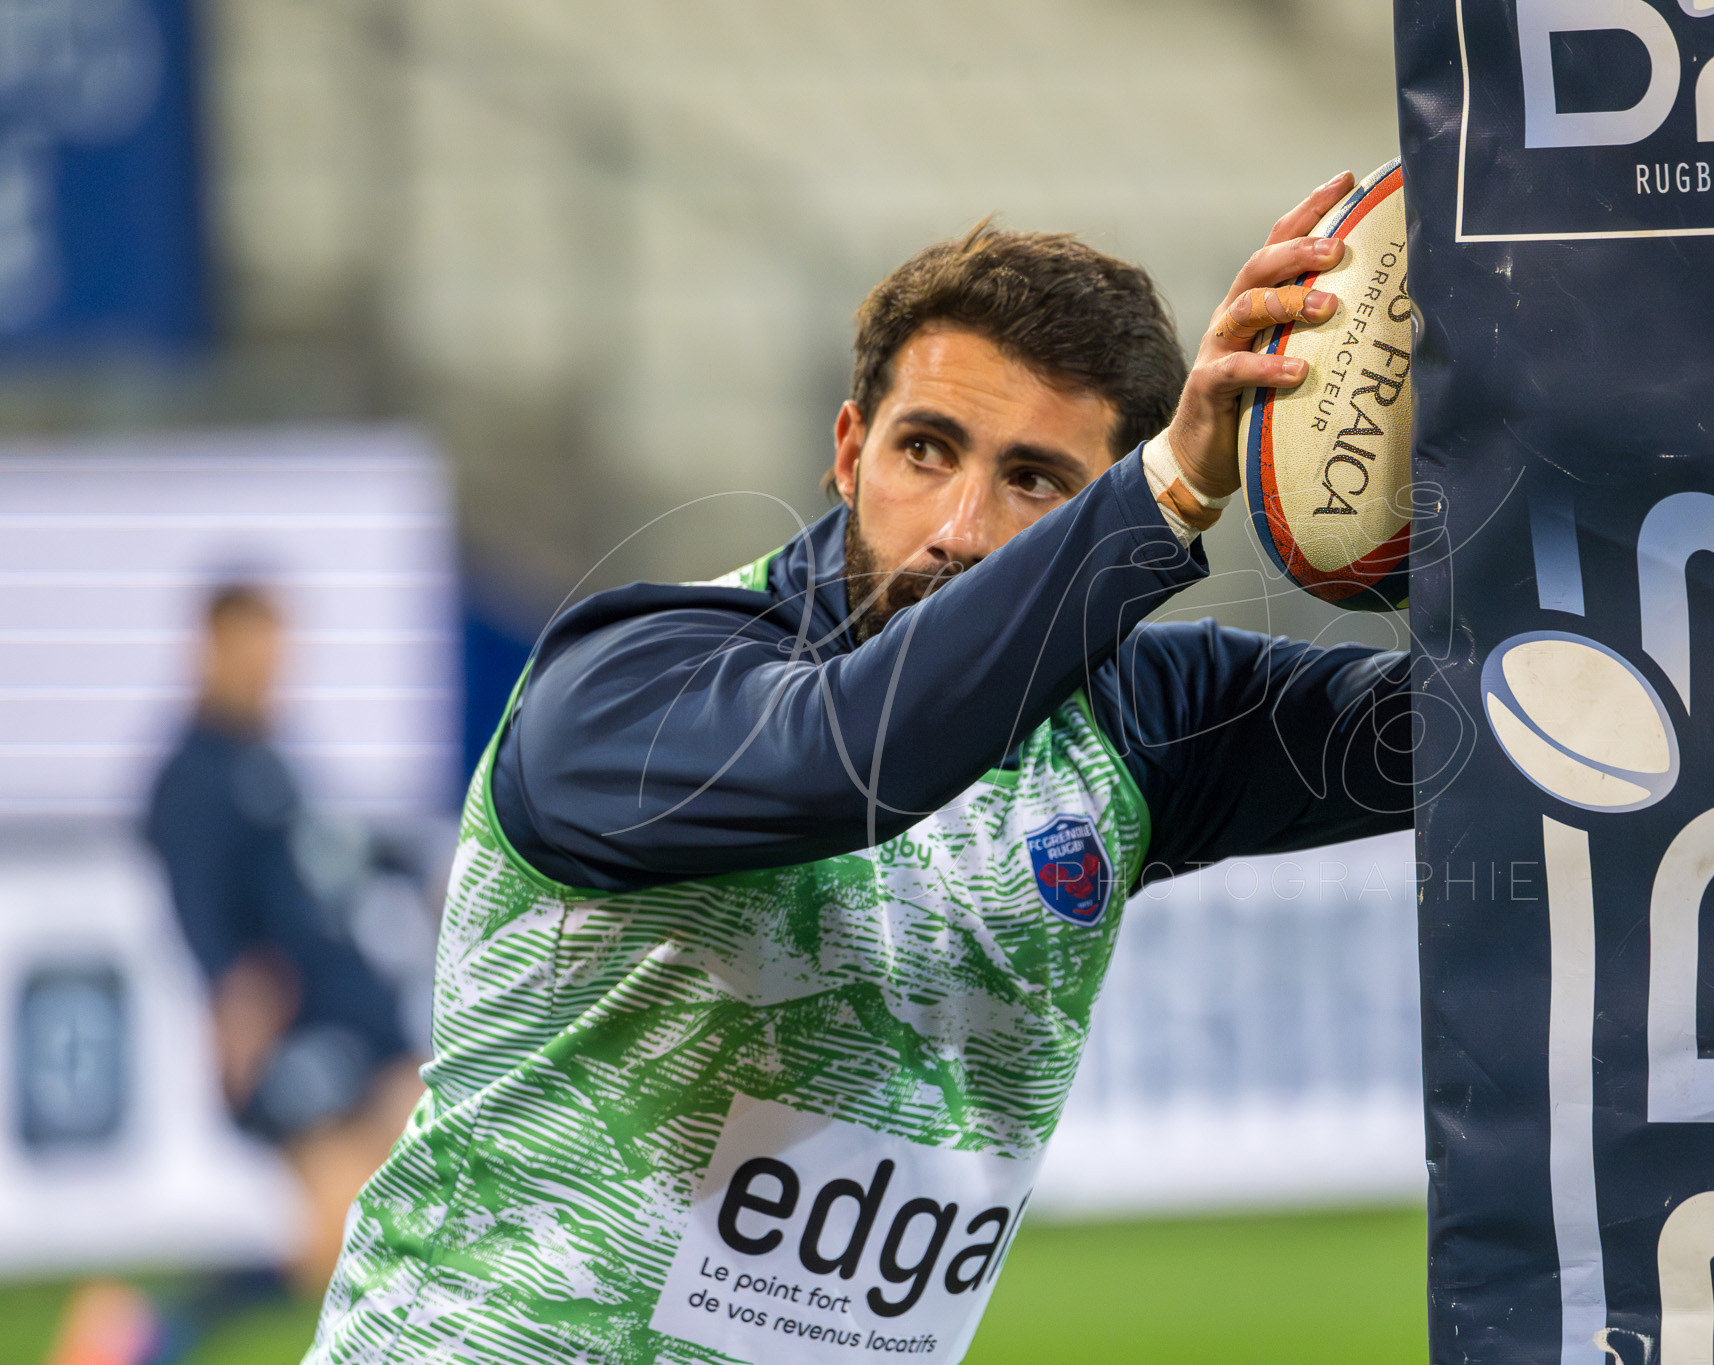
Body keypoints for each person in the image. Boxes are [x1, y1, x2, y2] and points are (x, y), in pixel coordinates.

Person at [306, 171, 1414, 1363]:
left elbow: (1497, 721)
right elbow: (848, 758)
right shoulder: (627, 681)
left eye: (1035, 481)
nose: (959, 530)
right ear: (847, 450)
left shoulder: (1133, 722)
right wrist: (1168, 492)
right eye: (925, 450)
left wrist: (1479, 459)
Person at [143, 584, 423, 1296]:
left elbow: (329, 864)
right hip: (290, 1027)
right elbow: (198, 909)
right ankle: (148, 1329)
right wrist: (233, 1003)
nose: (268, 670)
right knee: (338, 1246)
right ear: (211, 649)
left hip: (358, 1011)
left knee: (420, 1214)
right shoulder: (191, 778)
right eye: (253, 652)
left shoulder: (271, 760)